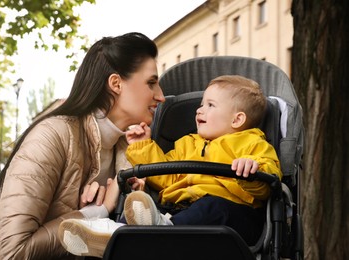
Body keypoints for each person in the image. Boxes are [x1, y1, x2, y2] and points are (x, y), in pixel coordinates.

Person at [0, 32, 165, 259]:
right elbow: (12, 253)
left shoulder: (129, 146)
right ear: (116, 83)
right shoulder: (52, 136)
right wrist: (97, 212)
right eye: (152, 83)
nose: (161, 96)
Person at [58, 75, 282, 256]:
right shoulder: (186, 145)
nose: (199, 110)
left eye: (210, 105)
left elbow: (269, 178)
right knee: (144, 206)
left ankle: (139, 233)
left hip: (235, 217)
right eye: (201, 104)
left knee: (212, 207)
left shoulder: (252, 142)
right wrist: (143, 145)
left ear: (237, 120)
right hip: (180, 211)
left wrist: (251, 168)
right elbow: (165, 176)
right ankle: (118, 233)